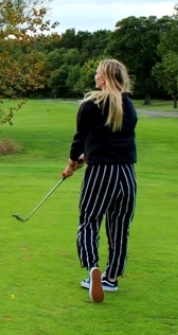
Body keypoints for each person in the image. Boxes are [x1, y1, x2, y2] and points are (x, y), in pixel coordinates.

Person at [62, 58, 138, 304]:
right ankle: (111, 278)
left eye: (97, 73)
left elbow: (78, 140)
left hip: (100, 174)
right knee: (119, 227)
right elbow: (112, 139)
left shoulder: (90, 105)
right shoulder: (129, 105)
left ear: (103, 78)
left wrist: (72, 163)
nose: (95, 76)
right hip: (126, 174)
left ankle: (92, 267)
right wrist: (87, 154)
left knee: (89, 222)